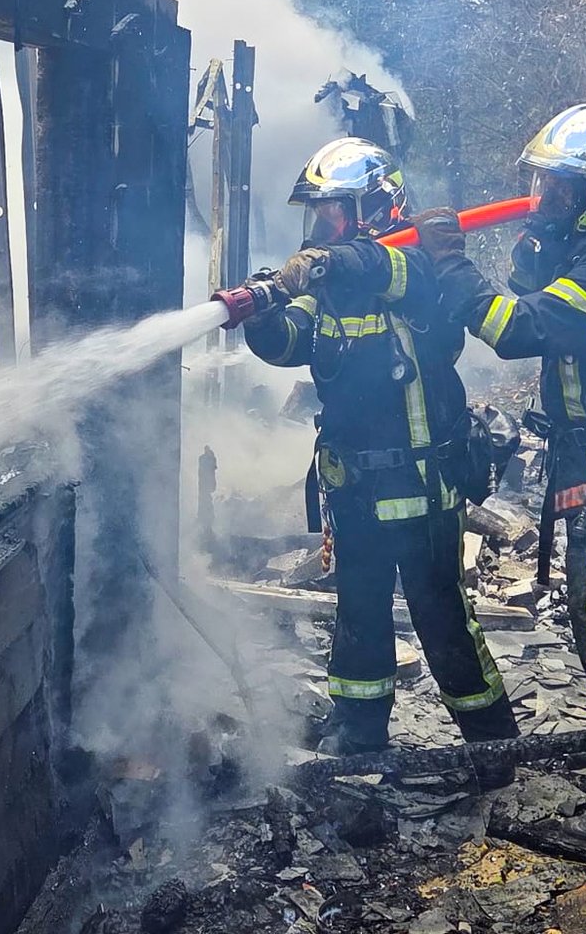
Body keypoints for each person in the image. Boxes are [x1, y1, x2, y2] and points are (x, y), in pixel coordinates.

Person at [413, 105, 586, 843]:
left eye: (559, 189)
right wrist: (542, 236)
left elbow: (518, 328)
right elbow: (535, 286)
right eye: (540, 187)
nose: (544, 199)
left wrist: (450, 265)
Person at [243, 137, 519, 757]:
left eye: (331, 212)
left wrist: (325, 261)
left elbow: (388, 272)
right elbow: (291, 341)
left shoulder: (421, 265)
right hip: (356, 487)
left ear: (372, 206)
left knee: (442, 617)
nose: (320, 228)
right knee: (359, 615)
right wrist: (262, 312)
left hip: (422, 487)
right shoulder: (334, 286)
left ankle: (495, 744)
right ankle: (360, 734)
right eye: (317, 215)